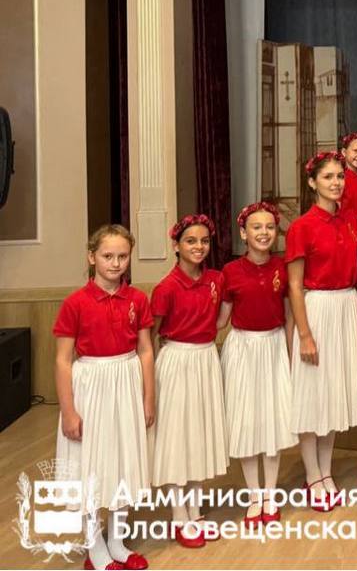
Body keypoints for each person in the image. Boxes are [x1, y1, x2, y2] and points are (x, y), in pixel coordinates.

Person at [54, 225, 153, 571]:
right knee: (91, 464)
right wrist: (69, 411)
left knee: (124, 460)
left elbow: (146, 350)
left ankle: (117, 542)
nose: (115, 263)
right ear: (91, 257)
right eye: (107, 256)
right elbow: (62, 360)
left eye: (122, 256)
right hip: (91, 386)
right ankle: (94, 546)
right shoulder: (75, 303)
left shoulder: (138, 299)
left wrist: (149, 397)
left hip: (126, 382)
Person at [285, 151, 357, 513]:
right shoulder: (302, 227)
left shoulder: (352, 220)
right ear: (312, 182)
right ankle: (312, 473)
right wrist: (304, 334)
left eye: (340, 176)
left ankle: (326, 469)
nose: (336, 182)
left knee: (334, 393)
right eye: (328, 177)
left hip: (346, 307)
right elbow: (294, 285)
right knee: (312, 394)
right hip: (316, 309)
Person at [151, 214, 228, 548]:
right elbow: (151, 336)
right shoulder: (166, 288)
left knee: (199, 434)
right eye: (191, 241)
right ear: (176, 245)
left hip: (206, 359)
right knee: (177, 436)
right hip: (176, 361)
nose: (199, 247)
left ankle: (195, 511)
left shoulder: (216, 279)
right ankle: (178, 515)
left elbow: (221, 320)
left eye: (204, 241)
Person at [218, 202, 296, 526]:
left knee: (273, 421)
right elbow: (221, 320)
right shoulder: (230, 272)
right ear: (243, 233)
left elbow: (289, 316)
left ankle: (270, 494)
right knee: (247, 422)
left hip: (274, 346)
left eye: (269, 227)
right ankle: (253, 496)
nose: (264, 233)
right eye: (256, 227)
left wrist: (290, 356)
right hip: (243, 349)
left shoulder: (283, 267)